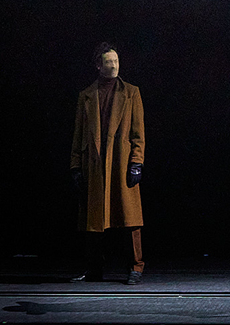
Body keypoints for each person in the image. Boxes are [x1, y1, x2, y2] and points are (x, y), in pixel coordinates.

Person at [70, 42, 146, 285]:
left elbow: (138, 133)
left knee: (130, 218)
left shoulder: (131, 92)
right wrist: (75, 166)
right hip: (95, 164)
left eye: (116, 61)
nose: (113, 66)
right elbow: (79, 134)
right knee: (94, 221)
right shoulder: (86, 96)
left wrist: (137, 162)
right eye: (108, 62)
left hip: (121, 162)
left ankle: (135, 267)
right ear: (98, 66)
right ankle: (94, 269)